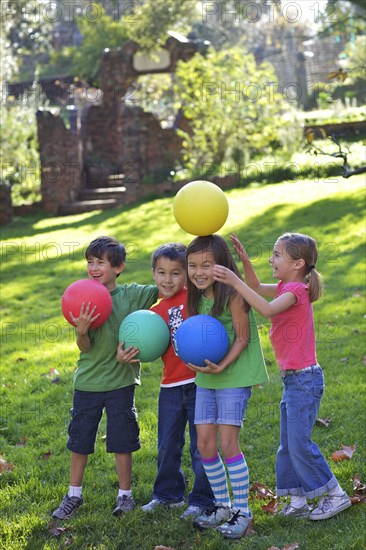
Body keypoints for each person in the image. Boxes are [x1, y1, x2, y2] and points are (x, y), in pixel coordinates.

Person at [213, 233, 352, 520]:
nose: (271, 259)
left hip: (305, 380)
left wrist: (234, 281)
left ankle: (335, 494)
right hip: (294, 381)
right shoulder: (285, 286)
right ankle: (298, 500)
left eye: (277, 255)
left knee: (300, 443)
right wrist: (244, 261)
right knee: (287, 446)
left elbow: (265, 308)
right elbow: (254, 286)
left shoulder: (296, 291)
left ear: (298, 263)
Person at [52, 236, 158, 520]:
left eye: (101, 262)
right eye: (90, 262)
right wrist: (82, 331)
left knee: (122, 440)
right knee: (80, 439)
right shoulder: (82, 297)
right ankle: (74, 494)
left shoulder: (133, 295)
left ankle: (125, 496)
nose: (94, 267)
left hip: (121, 383)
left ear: (119, 267)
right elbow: (84, 348)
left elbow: (166, 286)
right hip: (87, 382)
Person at [185, 235, 268, 539]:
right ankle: (222, 505)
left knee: (228, 444)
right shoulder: (195, 294)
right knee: (205, 444)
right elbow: (198, 334)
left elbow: (243, 338)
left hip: (234, 373)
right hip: (207, 375)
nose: (199, 272)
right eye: (192, 265)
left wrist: (222, 365)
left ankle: (242, 512)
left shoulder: (234, 293)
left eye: (206, 265)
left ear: (221, 265)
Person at [141, 243, 215, 519]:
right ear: (153, 274)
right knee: (167, 444)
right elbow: (150, 344)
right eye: (161, 273)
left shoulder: (196, 298)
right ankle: (167, 495)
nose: (167, 279)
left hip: (200, 383)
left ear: (186, 274)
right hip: (170, 386)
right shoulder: (155, 310)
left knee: (201, 445)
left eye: (175, 273)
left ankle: (203, 499)